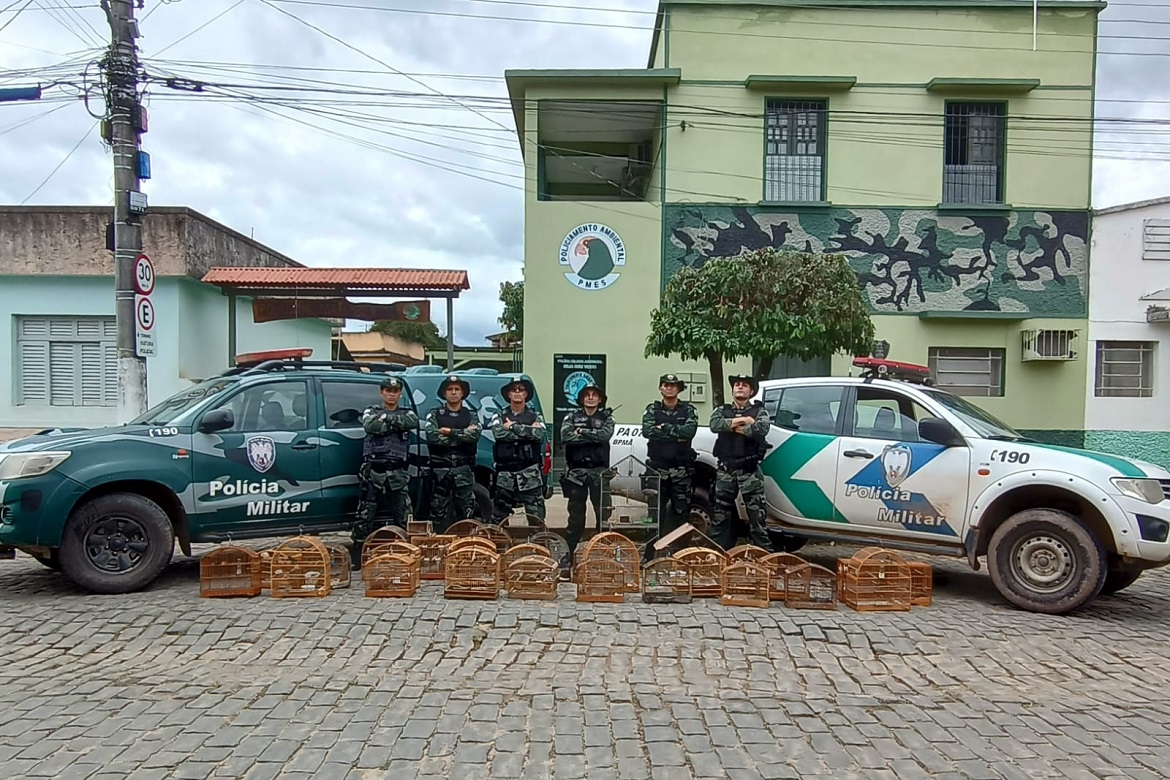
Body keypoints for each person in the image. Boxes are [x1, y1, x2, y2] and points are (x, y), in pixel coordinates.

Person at [352, 377, 418, 568]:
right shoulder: (371, 411)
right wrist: (396, 423)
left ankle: (409, 553)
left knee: (404, 514)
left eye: (395, 391)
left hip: (397, 471)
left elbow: (412, 422)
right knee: (365, 514)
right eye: (388, 391)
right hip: (374, 470)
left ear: (400, 394)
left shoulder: (408, 413)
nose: (391, 394)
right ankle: (358, 555)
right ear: (382, 392)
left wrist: (387, 419)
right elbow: (370, 426)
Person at [709, 374, 775, 552]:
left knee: (757, 519)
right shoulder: (721, 410)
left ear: (751, 391)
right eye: (737, 385)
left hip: (750, 472)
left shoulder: (760, 411)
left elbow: (761, 429)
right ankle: (715, 555)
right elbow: (715, 424)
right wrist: (745, 421)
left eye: (744, 385)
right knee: (720, 517)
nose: (739, 387)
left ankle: (764, 558)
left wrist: (730, 426)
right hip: (726, 471)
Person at [641, 373, 698, 551]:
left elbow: (689, 432)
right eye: (665, 385)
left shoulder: (688, 410)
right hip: (657, 470)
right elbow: (647, 431)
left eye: (672, 385)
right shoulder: (652, 409)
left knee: (681, 514)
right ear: (660, 388)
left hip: (681, 471)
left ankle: (681, 553)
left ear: (678, 389)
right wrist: (676, 434)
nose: (668, 388)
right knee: (654, 514)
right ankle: (650, 554)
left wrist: (664, 428)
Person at [559, 382, 614, 567]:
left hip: (599, 472)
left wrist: (581, 431)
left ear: (600, 399)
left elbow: (604, 436)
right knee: (575, 517)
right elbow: (566, 436)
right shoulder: (571, 417)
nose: (591, 397)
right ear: (582, 398)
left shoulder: (606, 418)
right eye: (587, 394)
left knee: (603, 515)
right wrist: (593, 434)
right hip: (577, 474)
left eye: (594, 394)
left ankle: (604, 554)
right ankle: (569, 554)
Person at [423, 375, 480, 530]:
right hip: (440, 472)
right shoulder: (435, 414)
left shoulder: (471, 415)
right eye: (450, 389)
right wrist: (462, 434)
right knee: (437, 514)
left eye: (457, 389)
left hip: (463, 471)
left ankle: (466, 549)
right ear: (444, 393)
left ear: (462, 393)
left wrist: (450, 432)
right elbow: (432, 437)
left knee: (466, 513)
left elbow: (474, 436)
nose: (453, 392)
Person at [489, 377, 547, 525]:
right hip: (504, 476)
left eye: (520, 390)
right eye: (513, 390)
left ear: (526, 394)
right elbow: (499, 434)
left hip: (530, 476)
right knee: (498, 520)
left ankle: (539, 546)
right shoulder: (499, 415)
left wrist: (513, 426)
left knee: (537, 520)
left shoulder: (536, 416)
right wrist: (527, 430)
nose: (517, 392)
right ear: (508, 394)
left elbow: (538, 434)